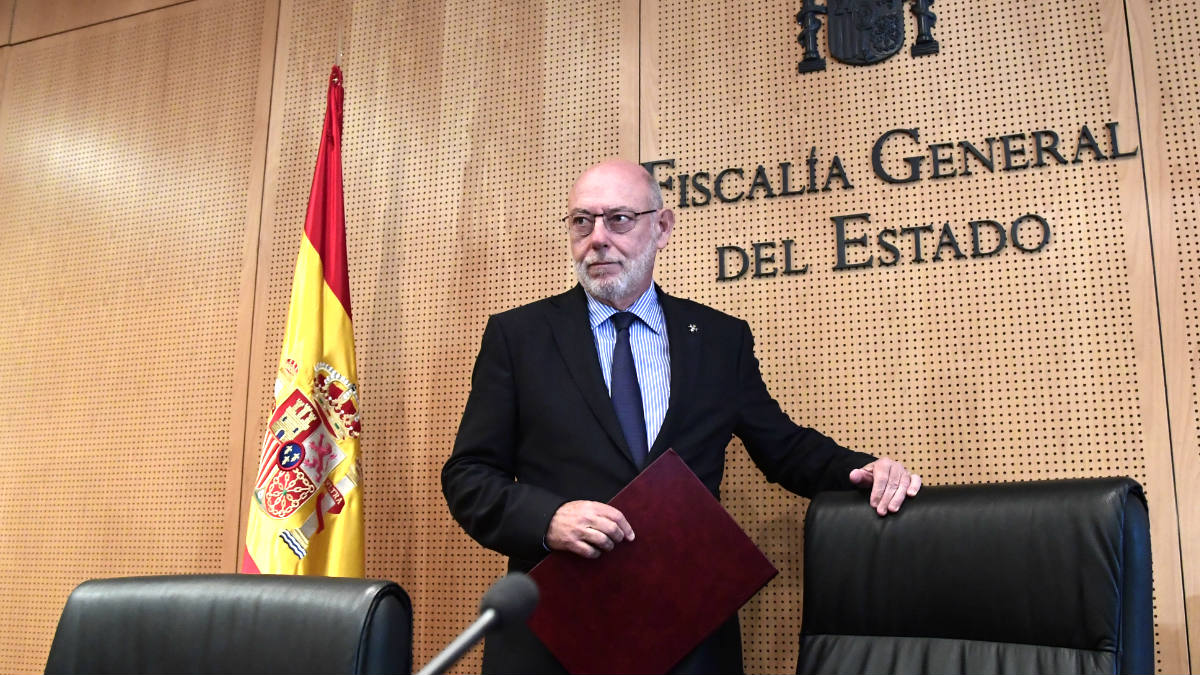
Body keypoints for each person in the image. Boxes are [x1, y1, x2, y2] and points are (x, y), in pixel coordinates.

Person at [442, 159, 920, 674]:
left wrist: (864, 469)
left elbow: (785, 449)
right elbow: (469, 477)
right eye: (582, 221)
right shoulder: (519, 338)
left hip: (688, 634)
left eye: (619, 219)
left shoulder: (718, 339)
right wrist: (546, 519)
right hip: (556, 637)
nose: (598, 238)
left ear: (662, 227)